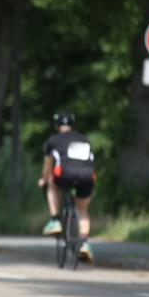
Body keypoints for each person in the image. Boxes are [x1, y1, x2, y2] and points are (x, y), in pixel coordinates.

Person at [39, 111, 96, 262]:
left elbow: (48, 165)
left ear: (56, 125)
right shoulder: (84, 139)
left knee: (52, 183)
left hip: (65, 174)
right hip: (87, 175)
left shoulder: (53, 140)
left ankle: (54, 220)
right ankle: (84, 242)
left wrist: (43, 179)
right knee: (82, 209)